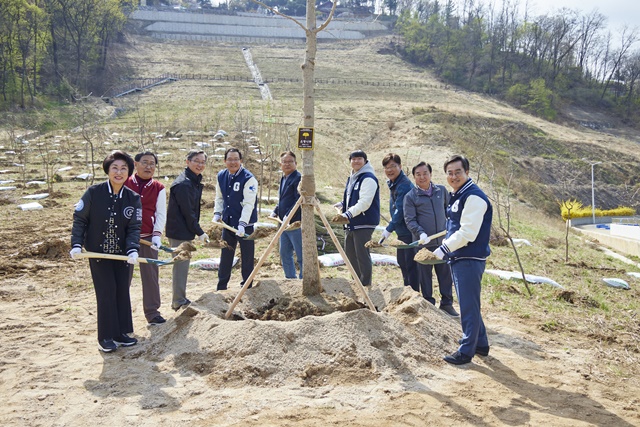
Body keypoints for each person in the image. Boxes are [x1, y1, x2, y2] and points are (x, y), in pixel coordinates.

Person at [70, 150, 142, 353]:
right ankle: (106, 337)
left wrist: (132, 249)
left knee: (121, 291)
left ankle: (121, 333)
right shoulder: (94, 192)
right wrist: (76, 244)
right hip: (98, 254)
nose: (119, 172)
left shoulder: (133, 198)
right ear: (108, 170)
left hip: (122, 255)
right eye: (115, 168)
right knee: (106, 292)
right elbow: (80, 219)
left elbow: (134, 227)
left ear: (129, 172)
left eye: (123, 168)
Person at [432, 155, 493, 365]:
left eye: (458, 172)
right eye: (450, 173)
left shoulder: (474, 197)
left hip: (469, 257)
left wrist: (444, 248)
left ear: (467, 172)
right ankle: (481, 344)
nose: (453, 176)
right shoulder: (459, 195)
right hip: (460, 257)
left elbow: (467, 232)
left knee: (467, 306)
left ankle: (466, 352)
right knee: (470, 303)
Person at [403, 161, 459, 317]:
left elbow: (450, 212)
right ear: (414, 177)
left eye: (425, 173)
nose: (422, 177)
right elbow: (410, 219)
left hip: (443, 243)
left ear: (430, 174)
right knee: (425, 275)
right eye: (418, 174)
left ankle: (447, 304)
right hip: (424, 244)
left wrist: (451, 229)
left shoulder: (441, 191)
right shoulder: (410, 197)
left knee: (445, 273)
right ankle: (429, 304)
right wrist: (420, 233)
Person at [125, 151, 167, 326]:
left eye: (152, 164)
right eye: (145, 163)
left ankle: (152, 312)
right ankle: (122, 312)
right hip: (125, 237)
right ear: (135, 164)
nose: (148, 166)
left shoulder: (158, 188)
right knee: (123, 275)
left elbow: (160, 213)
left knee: (150, 275)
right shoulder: (124, 183)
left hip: (148, 237)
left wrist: (157, 234)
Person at [166, 149, 209, 311]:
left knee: (182, 264)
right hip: (179, 230)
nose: (200, 164)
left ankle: (180, 298)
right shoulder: (184, 184)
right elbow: (188, 212)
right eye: (197, 161)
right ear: (187, 162)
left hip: (184, 229)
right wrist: (200, 232)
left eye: (203, 162)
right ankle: (178, 301)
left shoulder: (193, 181)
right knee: (181, 265)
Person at [213, 148, 259, 290]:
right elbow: (219, 197)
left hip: (245, 225)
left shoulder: (248, 178)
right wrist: (217, 213)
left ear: (241, 161)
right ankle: (222, 286)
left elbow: (248, 204)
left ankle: (247, 285)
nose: (233, 162)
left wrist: (242, 223)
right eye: (230, 159)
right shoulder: (221, 175)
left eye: (236, 159)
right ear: (225, 161)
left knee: (247, 256)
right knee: (226, 254)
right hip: (228, 223)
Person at [334, 150, 380, 286]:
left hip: (363, 222)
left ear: (365, 161)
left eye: (359, 159)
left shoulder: (368, 178)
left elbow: (365, 202)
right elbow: (353, 197)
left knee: (361, 254)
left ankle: (365, 284)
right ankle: (356, 282)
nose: (356, 161)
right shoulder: (353, 177)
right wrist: (343, 204)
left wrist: (347, 214)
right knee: (350, 254)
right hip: (351, 222)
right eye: (353, 159)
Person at [380, 153, 417, 289]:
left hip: (409, 231)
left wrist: (389, 229)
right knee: (403, 262)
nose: (390, 170)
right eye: (386, 167)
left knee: (410, 264)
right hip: (402, 231)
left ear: (400, 166)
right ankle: (408, 292)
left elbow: (400, 210)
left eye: (393, 166)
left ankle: (414, 294)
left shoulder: (404, 185)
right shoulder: (394, 183)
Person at [270, 151, 303, 279]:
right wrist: (276, 210)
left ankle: (303, 279)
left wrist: (288, 215)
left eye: (290, 162)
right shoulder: (283, 178)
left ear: (296, 163)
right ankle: (290, 279)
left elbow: (298, 200)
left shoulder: (298, 178)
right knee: (284, 253)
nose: (287, 164)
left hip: (295, 223)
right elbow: (283, 198)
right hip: (282, 223)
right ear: (280, 164)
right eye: (284, 162)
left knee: (300, 254)